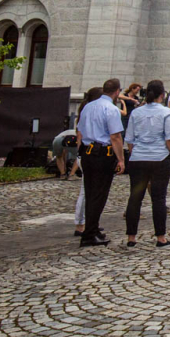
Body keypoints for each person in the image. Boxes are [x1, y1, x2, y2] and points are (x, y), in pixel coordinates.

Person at [122, 79, 170, 247]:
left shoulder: (136, 113)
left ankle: (131, 237)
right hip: (159, 158)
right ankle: (160, 237)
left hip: (138, 158)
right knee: (159, 198)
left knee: (135, 197)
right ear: (162, 95)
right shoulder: (166, 112)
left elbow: (129, 138)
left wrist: (135, 153)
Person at [77, 80, 126, 247]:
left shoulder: (88, 107)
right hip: (103, 153)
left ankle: (92, 228)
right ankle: (89, 233)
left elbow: (81, 130)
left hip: (87, 152)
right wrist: (121, 159)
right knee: (99, 194)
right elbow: (115, 136)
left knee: (91, 193)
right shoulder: (111, 109)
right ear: (117, 92)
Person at [71, 87, 102, 239]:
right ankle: (80, 223)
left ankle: (90, 222)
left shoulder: (89, 112)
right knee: (85, 191)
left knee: (93, 191)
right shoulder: (87, 113)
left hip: (90, 154)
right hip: (88, 154)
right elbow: (80, 137)